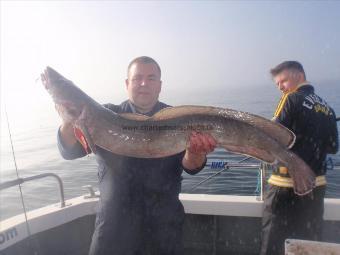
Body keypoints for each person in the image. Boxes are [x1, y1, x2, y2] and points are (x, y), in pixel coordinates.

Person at [56, 56, 217, 255]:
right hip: (113, 234)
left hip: (164, 233)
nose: (143, 84)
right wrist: (68, 120)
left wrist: (195, 152)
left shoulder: (179, 119)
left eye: (151, 78)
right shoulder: (102, 115)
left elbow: (192, 167)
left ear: (159, 85)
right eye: (137, 78)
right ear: (127, 83)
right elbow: (69, 151)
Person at [260, 61, 339, 255]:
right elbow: (333, 147)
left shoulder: (291, 98)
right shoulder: (328, 108)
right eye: (278, 84)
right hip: (316, 187)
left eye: (283, 81)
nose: (280, 87)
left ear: (299, 76)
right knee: (308, 244)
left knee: (272, 242)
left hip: (284, 186)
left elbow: (272, 134)